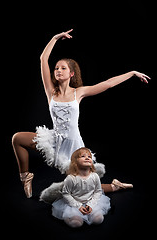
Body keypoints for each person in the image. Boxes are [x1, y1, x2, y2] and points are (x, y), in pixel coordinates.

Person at [12, 29, 150, 198]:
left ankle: (115, 186)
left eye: (63, 68)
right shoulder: (51, 92)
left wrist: (132, 73)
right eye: (56, 68)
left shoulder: (79, 92)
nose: (58, 70)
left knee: (83, 188)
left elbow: (107, 84)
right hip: (54, 141)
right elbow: (43, 59)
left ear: (71, 74)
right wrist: (55, 38)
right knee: (17, 138)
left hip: (73, 146)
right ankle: (25, 177)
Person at [52, 147, 111, 227]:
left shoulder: (95, 176)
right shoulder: (71, 178)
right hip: (74, 203)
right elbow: (66, 194)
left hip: (90, 201)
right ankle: (68, 218)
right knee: (76, 223)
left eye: (89, 157)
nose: (87, 158)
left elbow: (98, 191)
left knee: (98, 220)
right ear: (75, 162)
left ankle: (90, 214)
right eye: (83, 156)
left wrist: (91, 205)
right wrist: (78, 206)